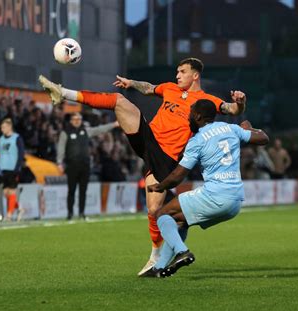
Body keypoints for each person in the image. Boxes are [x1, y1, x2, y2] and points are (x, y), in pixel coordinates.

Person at [39, 57, 247, 275]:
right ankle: (63, 93)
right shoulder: (170, 89)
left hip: (166, 158)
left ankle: (156, 256)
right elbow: (149, 89)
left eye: (182, 72)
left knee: (154, 210)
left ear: (195, 75)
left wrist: (240, 102)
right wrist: (131, 83)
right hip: (149, 139)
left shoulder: (206, 100)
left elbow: (232, 109)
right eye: (177, 71)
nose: (177, 75)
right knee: (119, 100)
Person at [140, 99, 269, 277]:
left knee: (163, 214)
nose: (188, 119)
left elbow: (178, 176)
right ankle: (159, 268)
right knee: (180, 221)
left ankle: (181, 252)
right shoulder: (230, 128)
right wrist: (248, 129)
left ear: (198, 116)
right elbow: (263, 138)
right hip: (236, 201)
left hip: (216, 195)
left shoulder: (197, 140)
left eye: (190, 114)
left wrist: (159, 186)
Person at [57, 112, 118, 220]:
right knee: (71, 190)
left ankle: (82, 213)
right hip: (72, 165)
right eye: (75, 119)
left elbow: (100, 129)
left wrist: (113, 124)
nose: (77, 121)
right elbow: (61, 148)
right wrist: (59, 162)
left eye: (79, 119)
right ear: (71, 120)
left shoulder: (86, 131)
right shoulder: (65, 133)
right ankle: (70, 213)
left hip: (85, 165)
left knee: (83, 191)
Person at [0, 118, 25, 221]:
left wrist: (17, 167)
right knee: (6, 193)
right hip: (3, 168)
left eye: (3, 127)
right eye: (1, 127)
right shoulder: (1, 139)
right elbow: (0, 154)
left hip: (13, 168)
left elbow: (21, 154)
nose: (2, 129)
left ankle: (9, 215)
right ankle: (20, 208)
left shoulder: (17, 138)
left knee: (12, 192)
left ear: (9, 127)